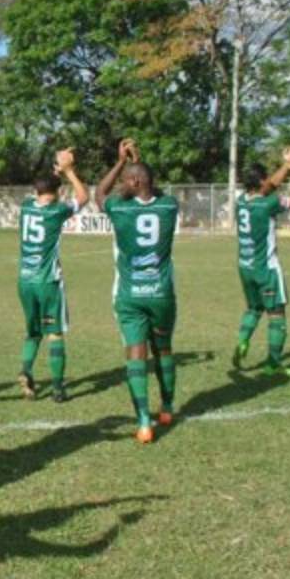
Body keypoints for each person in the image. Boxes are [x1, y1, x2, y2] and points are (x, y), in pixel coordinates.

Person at [95, 139, 179, 444]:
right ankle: (167, 407)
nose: (121, 184)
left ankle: (144, 421)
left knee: (136, 353)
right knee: (164, 349)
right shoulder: (170, 206)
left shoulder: (120, 208)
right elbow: (150, 190)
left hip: (130, 295)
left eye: (125, 180)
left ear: (133, 181)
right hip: (161, 293)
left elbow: (99, 194)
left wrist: (120, 161)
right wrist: (136, 167)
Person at [16, 149, 89, 403]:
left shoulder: (26, 207)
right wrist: (68, 171)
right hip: (48, 281)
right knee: (55, 333)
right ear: (57, 192)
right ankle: (58, 388)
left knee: (33, 332)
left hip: (24, 281)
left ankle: (26, 371)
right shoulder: (57, 211)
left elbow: (44, 188)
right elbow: (83, 196)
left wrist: (54, 174)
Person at [233, 146, 290, 376]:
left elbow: (268, 185)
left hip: (245, 267)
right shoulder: (268, 204)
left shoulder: (240, 201)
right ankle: (273, 363)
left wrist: (285, 166)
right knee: (277, 314)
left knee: (253, 308)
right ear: (262, 182)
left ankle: (243, 341)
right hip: (266, 268)